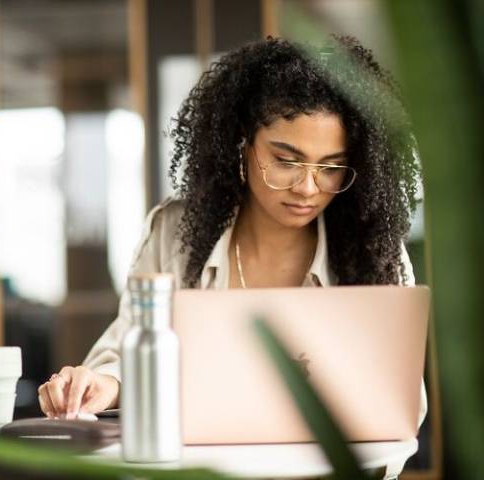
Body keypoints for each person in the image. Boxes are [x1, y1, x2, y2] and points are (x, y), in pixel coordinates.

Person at [37, 35, 424, 422]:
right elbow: (127, 348)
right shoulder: (176, 234)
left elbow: (404, 404)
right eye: (286, 161)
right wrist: (105, 384)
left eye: (330, 167)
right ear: (242, 145)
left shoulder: (376, 252)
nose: (308, 188)